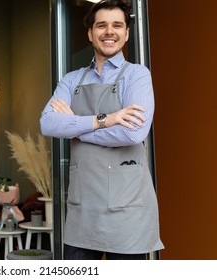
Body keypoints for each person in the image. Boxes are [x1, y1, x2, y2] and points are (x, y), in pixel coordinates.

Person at [40, 0, 164, 260]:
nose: (110, 31)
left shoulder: (137, 75)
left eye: (117, 25)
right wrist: (104, 120)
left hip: (128, 210)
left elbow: (133, 133)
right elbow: (48, 123)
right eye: (101, 25)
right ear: (90, 33)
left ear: (127, 33)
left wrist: (75, 128)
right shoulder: (71, 80)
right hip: (83, 210)